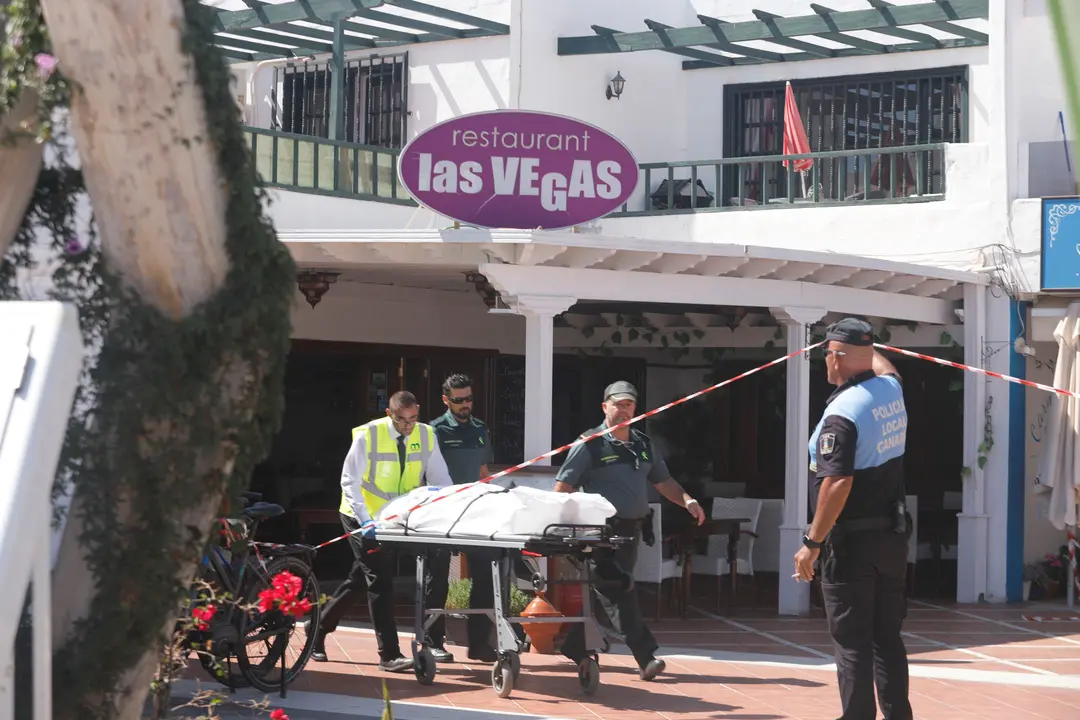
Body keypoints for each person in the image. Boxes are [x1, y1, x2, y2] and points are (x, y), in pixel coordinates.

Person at [793, 317, 913, 720]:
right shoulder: (888, 390)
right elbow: (886, 366)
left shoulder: (843, 412)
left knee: (852, 643)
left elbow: (837, 482)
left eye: (829, 354)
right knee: (887, 639)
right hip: (891, 540)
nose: (826, 362)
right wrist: (861, 345)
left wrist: (812, 543)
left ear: (838, 358)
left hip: (851, 546)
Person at [554, 380, 705, 681]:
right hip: (600, 533)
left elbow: (664, 482)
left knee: (608, 592)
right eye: (618, 404)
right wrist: (562, 526)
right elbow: (562, 487)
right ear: (604, 406)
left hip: (631, 531)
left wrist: (687, 500)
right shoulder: (590, 443)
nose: (624, 410)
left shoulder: (642, 444)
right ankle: (645, 655)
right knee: (618, 589)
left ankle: (573, 645)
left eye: (629, 405)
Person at [311, 390, 454, 673]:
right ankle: (389, 654)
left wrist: (446, 511)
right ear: (389, 414)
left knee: (360, 579)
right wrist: (365, 522)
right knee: (380, 579)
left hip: (397, 518)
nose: (407, 426)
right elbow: (349, 481)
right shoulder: (369, 435)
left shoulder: (426, 435)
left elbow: (440, 478)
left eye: (412, 419)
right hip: (361, 515)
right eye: (401, 420)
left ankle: (318, 629)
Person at [429, 373, 499, 662]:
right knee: (437, 579)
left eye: (468, 398)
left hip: (473, 513)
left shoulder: (480, 429)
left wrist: (494, 497)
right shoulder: (433, 430)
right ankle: (433, 641)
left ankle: (479, 644)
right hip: (442, 513)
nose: (465, 405)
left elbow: (483, 471)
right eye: (458, 400)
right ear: (446, 400)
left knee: (485, 575)